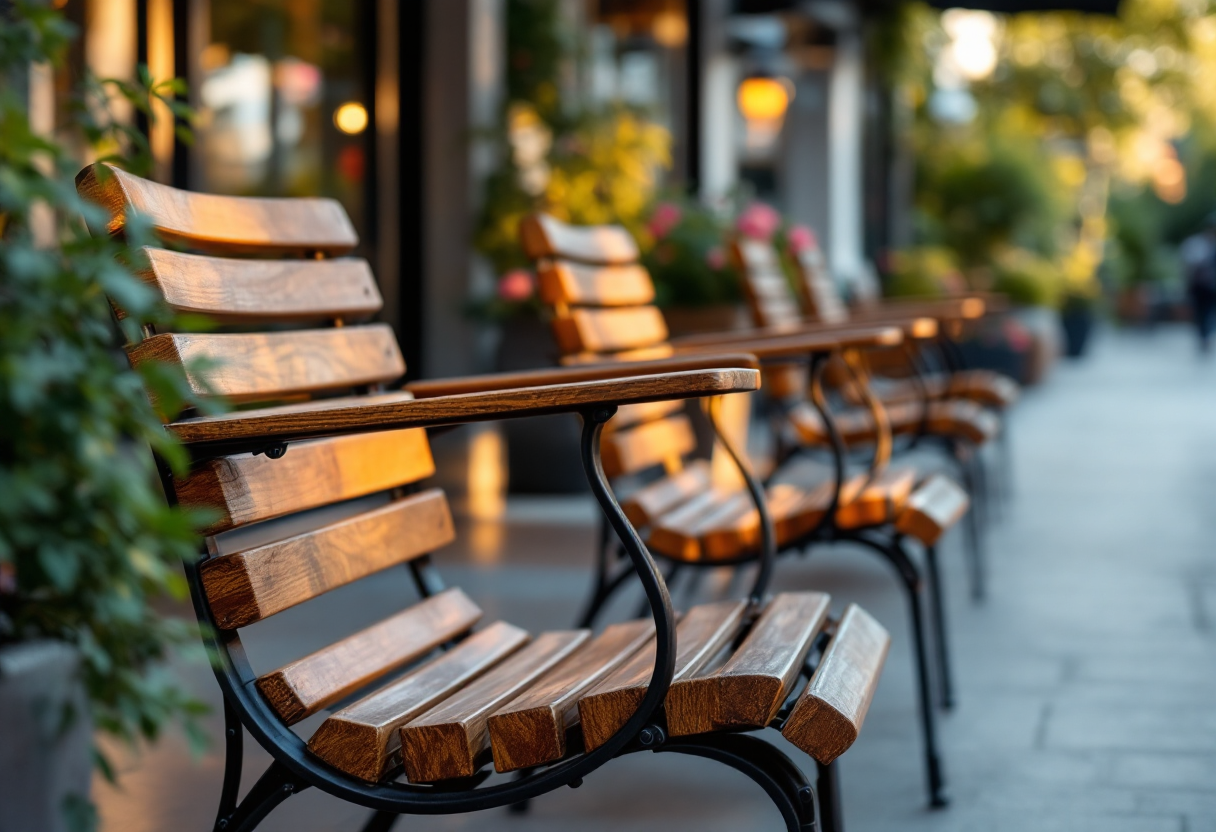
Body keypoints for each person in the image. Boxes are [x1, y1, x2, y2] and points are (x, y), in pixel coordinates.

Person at [1180, 212, 1216, 352]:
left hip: (1212, 286)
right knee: (1200, 312)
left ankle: (1206, 335)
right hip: (1199, 286)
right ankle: (1202, 336)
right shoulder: (1196, 244)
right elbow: (1188, 264)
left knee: (1210, 312)